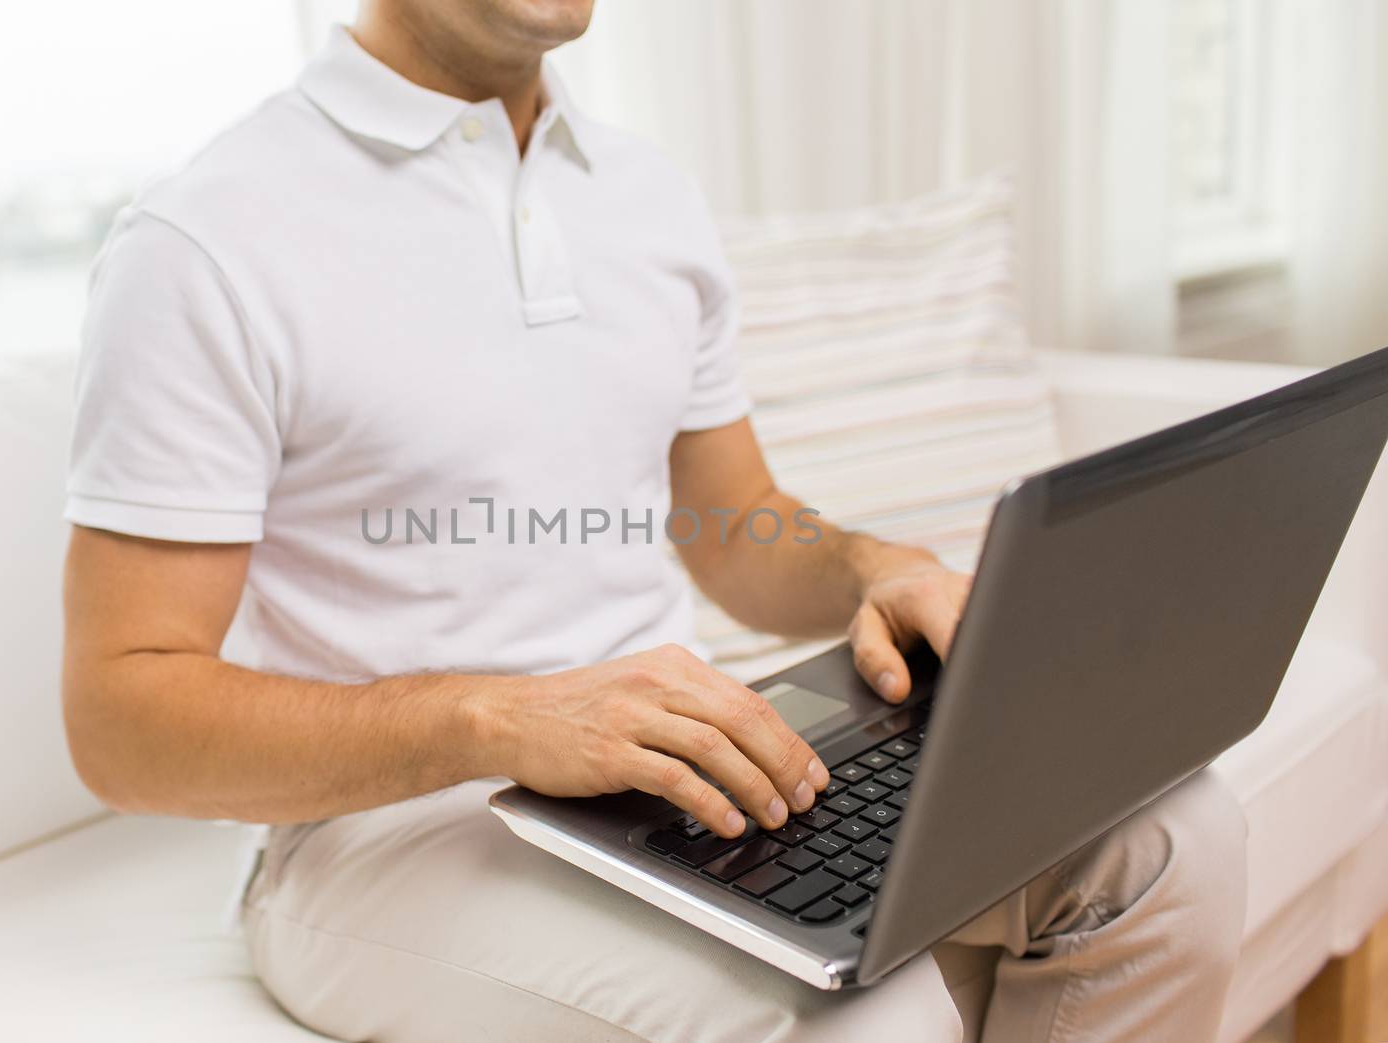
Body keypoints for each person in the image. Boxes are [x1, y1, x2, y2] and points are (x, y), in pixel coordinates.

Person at [60, 1, 1248, 1039]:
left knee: (1172, 841)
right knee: (859, 1007)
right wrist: (498, 713)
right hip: (381, 836)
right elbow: (124, 721)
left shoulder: (644, 195)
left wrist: (865, 567)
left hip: (674, 777)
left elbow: (737, 530)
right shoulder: (206, 238)